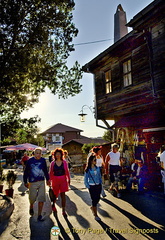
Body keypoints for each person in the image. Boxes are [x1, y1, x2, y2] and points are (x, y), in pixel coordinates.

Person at [23, 148, 50, 221]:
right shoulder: (30, 161)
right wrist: (25, 181)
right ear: (34, 154)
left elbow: (45, 170)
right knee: (32, 198)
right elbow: (26, 172)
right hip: (32, 182)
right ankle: (31, 206)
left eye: (39, 153)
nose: (38, 154)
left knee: (41, 198)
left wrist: (48, 179)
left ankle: (39, 215)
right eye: (37, 153)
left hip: (41, 181)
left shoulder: (43, 160)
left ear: (41, 154)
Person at [49, 148, 70, 217]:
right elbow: (51, 172)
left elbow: (67, 171)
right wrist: (49, 181)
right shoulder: (52, 163)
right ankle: (53, 204)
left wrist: (68, 179)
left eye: (59, 154)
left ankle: (63, 210)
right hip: (55, 180)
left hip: (63, 180)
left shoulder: (64, 162)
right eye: (56, 154)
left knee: (63, 195)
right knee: (55, 195)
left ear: (61, 154)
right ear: (54, 155)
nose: (58, 155)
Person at [84, 154, 102, 221]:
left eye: (96, 160)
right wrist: (88, 186)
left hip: (98, 185)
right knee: (94, 200)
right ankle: (95, 214)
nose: (96, 161)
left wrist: (100, 183)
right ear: (91, 161)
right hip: (92, 186)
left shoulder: (97, 168)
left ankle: (93, 208)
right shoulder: (88, 170)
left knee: (98, 198)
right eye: (94, 160)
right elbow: (85, 179)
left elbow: (99, 176)